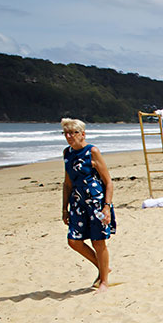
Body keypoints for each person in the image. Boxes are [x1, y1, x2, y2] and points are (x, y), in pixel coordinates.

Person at [61, 118, 114, 292]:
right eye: (66, 133)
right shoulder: (67, 153)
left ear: (83, 134)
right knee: (74, 241)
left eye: (73, 133)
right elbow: (67, 183)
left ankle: (104, 280)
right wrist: (64, 208)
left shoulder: (92, 151)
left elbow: (108, 182)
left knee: (98, 241)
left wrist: (106, 206)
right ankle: (102, 267)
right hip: (77, 202)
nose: (69, 136)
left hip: (96, 202)